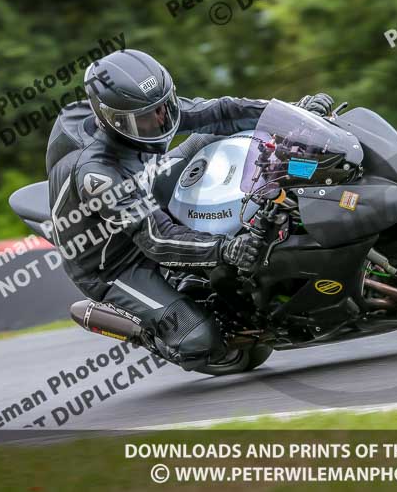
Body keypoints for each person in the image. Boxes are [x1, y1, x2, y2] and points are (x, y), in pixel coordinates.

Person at [46, 49, 334, 371]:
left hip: (146, 185)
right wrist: (228, 248)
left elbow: (223, 111)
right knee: (202, 342)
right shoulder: (98, 173)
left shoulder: (152, 109)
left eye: (163, 108)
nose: (160, 121)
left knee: (212, 134)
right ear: (113, 122)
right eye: (146, 118)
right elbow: (155, 239)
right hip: (117, 263)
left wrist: (294, 114)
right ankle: (143, 329)